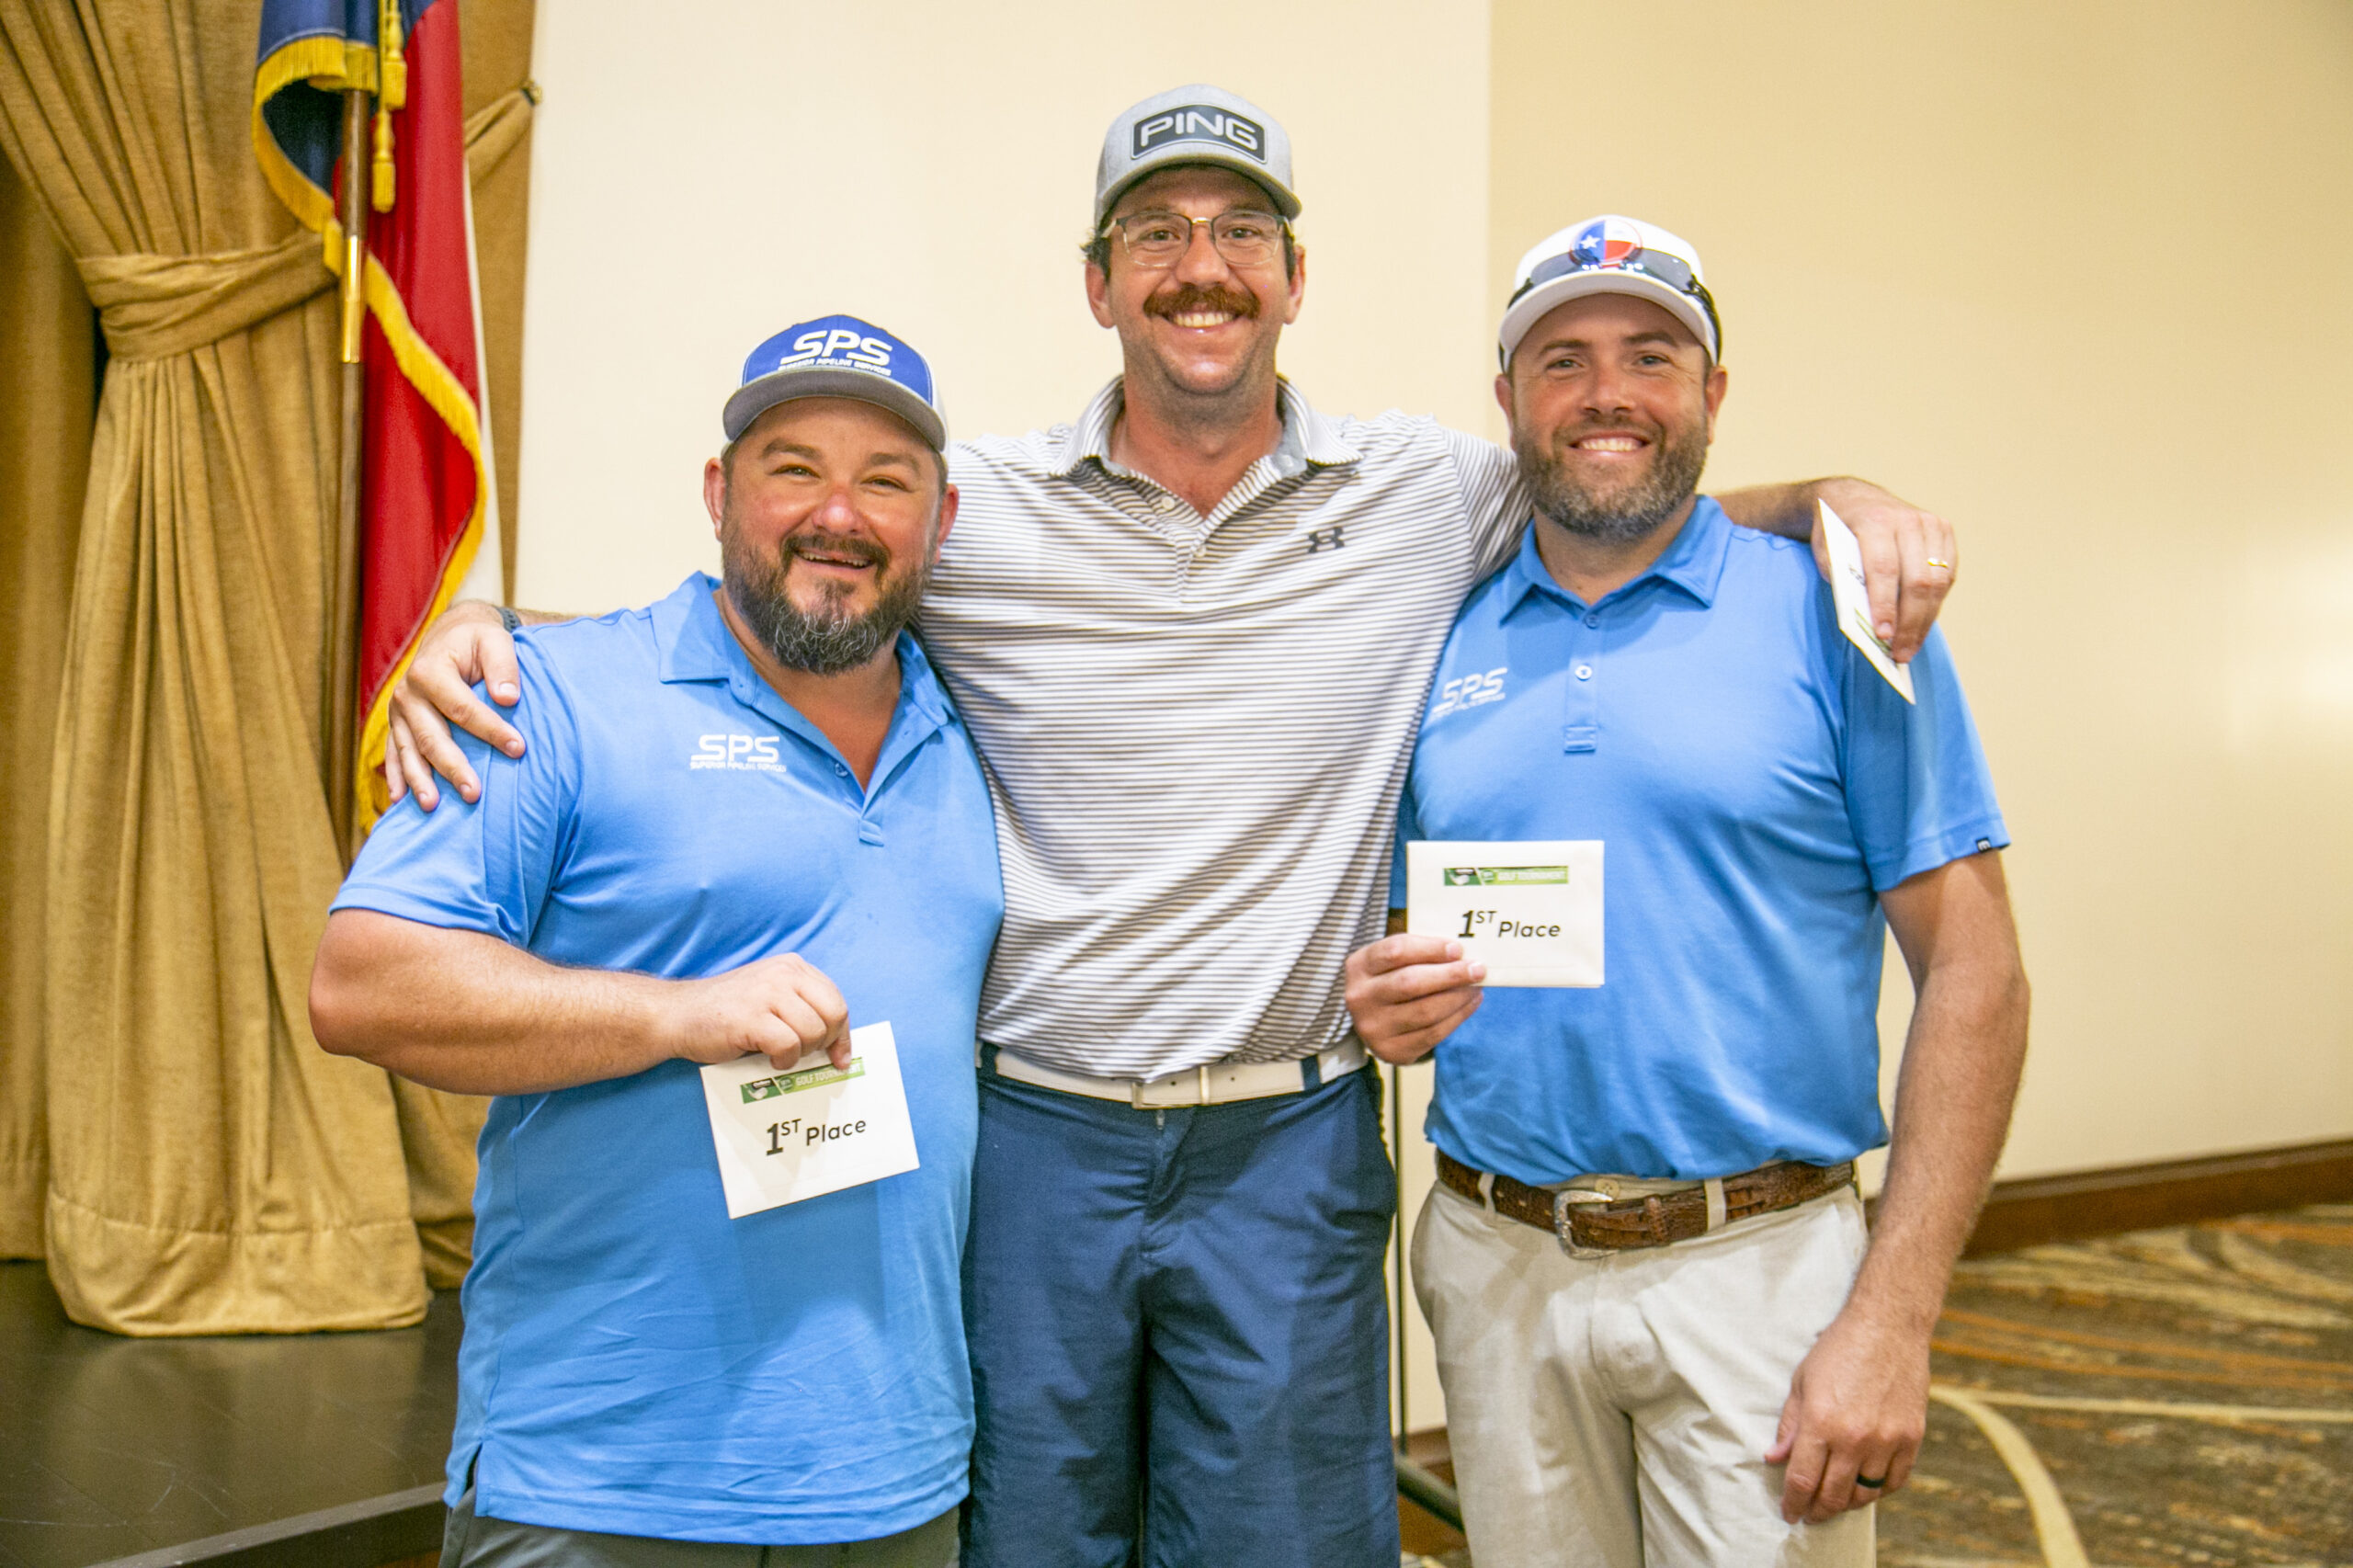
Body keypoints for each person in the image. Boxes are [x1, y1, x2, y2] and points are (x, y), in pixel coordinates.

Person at [383, 88, 1963, 1568]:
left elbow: (1620, 478)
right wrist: (500, 628)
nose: (1200, 267)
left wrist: (1839, 493)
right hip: (1040, 1142)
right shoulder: (974, 505)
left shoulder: (1427, 490)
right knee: (1029, 1535)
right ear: (1099, 285)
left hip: (1287, 1141)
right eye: (1156, 235)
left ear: (1292, 279)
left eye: (1239, 235)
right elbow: (799, 579)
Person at [1345, 215, 2030, 1568]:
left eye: (1651, 356)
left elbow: (1979, 971)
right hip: (1498, 1261)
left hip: (1761, 1270)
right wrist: (1387, 993)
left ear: (1714, 393)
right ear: (1508, 402)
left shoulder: (1841, 614)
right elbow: (1399, 924)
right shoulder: (1443, 633)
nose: (1607, 394)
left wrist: (1892, 1318)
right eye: (1565, 360)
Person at [308, 316, 1000, 1567]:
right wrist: (673, 1015)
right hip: (604, 1483)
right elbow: (363, 980)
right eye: (792, 466)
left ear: (939, 521)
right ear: (717, 492)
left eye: (884, 480)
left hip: (896, 1485)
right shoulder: (552, 698)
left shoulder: (980, 724)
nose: (837, 512)